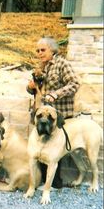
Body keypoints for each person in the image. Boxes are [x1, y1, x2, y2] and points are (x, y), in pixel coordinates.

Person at [27, 37, 80, 188]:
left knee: (55, 150)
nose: (39, 53)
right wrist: (31, 87)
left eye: (43, 50)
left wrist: (56, 94)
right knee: (42, 146)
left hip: (58, 115)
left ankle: (55, 183)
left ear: (52, 50)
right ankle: (44, 182)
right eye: (37, 50)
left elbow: (75, 83)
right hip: (42, 115)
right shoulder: (41, 67)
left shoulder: (62, 64)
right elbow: (36, 90)